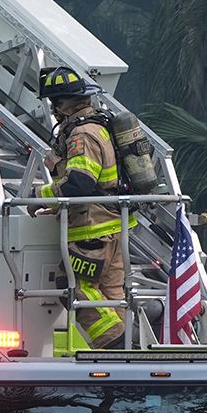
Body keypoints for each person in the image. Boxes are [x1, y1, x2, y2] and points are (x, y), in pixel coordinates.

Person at [36, 66, 136, 349]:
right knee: (111, 293)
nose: (54, 110)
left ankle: (115, 345)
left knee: (72, 286)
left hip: (92, 229)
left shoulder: (82, 134)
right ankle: (126, 351)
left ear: (64, 103)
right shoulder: (102, 127)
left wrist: (41, 196)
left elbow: (79, 183)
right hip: (114, 227)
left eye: (55, 103)